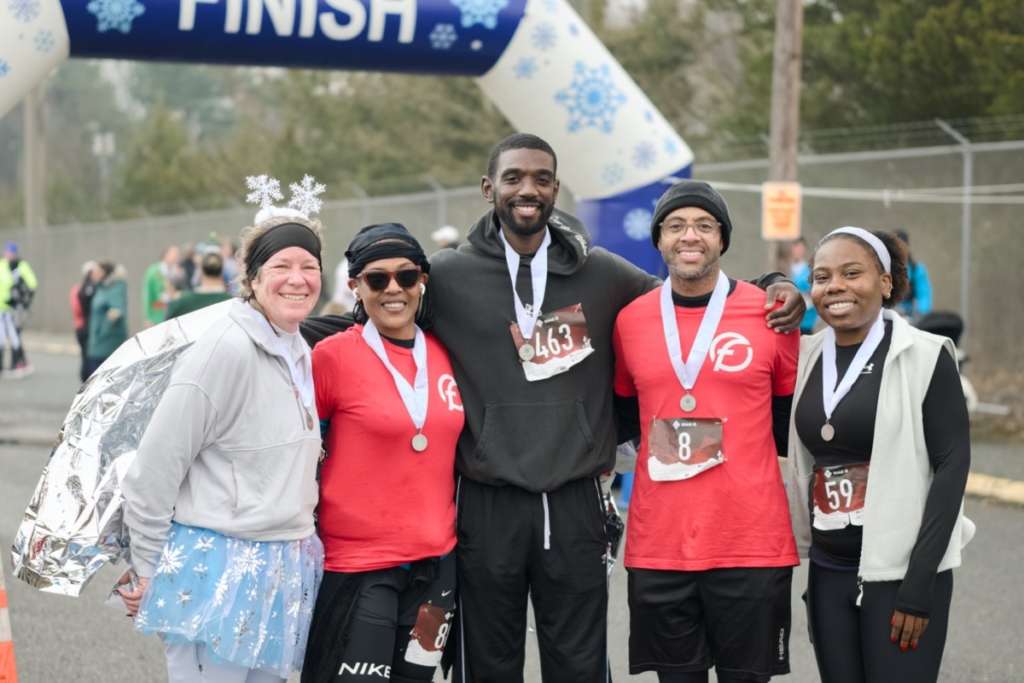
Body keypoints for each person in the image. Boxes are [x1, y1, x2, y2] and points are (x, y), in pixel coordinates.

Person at [421, 133, 805, 682]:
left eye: (542, 179)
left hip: (575, 497)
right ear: (488, 188)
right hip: (487, 496)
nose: (528, 190)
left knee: (578, 664)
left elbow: (691, 290)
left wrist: (774, 283)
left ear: (556, 190)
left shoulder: (600, 272)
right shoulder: (447, 275)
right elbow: (387, 306)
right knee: (487, 662)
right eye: (513, 178)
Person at [117, 213, 326, 683]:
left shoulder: (298, 348)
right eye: (281, 266)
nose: (297, 279)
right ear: (253, 277)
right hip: (216, 567)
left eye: (309, 266)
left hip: (280, 565)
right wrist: (147, 566)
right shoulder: (225, 349)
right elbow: (155, 467)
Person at [612, 181, 800, 683]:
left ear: (722, 238)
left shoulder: (771, 314)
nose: (689, 236)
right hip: (660, 547)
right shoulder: (629, 321)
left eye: (704, 225)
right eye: (675, 225)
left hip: (751, 544)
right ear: (659, 239)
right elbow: (624, 416)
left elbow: (790, 423)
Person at [788, 227, 974, 683]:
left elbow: (952, 465)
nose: (835, 286)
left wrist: (919, 583)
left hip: (900, 574)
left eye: (852, 273)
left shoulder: (926, 355)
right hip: (829, 571)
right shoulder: (806, 356)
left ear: (886, 282)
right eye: (822, 277)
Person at [302, 223, 463, 683]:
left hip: (438, 570)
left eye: (406, 276)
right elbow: (295, 450)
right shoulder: (331, 357)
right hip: (360, 566)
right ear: (355, 286)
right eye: (377, 279)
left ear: (422, 281)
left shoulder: (448, 353)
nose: (394, 289)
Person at [1, 241, 38, 376]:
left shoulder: (21, 266)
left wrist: (22, 300)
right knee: (3, 336)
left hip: (16, 308)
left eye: (11, 253)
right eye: (7, 252)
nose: (9, 255)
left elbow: (32, 284)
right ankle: (12, 363)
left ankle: (17, 363)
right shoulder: (2, 265)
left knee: (15, 334)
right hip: (3, 307)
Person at [85, 262, 128, 377]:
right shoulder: (102, 287)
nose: (94, 274)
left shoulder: (113, 288)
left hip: (106, 345)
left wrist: (102, 332)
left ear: (104, 272)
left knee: (100, 380)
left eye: (97, 271)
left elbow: (117, 312)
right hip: (98, 342)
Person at [165, 252, 233, 320]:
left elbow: (166, 324)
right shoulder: (232, 302)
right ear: (222, 272)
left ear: (201, 272)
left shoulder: (182, 301)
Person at [893, 230, 932, 320]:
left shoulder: (916, 270)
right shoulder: (885, 269)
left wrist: (921, 314)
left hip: (909, 316)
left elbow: (924, 295)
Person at [71, 260, 99, 383]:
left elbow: (76, 309)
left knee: (84, 355)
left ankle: (85, 381)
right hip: (86, 326)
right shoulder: (94, 289)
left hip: (80, 326)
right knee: (88, 356)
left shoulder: (76, 289)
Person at [142, 245, 180, 328]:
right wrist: (148, 317)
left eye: (177, 254)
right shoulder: (153, 272)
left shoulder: (178, 272)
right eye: (174, 254)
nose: (176, 257)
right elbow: (147, 295)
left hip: (175, 315)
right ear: (165, 255)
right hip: (157, 314)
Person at [791, 236, 818, 334]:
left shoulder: (808, 271)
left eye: (801, 248)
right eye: (797, 247)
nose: (799, 251)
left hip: (806, 320)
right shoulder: (786, 269)